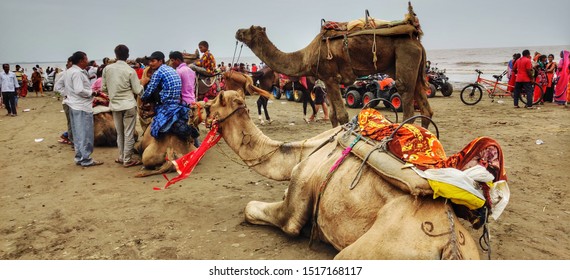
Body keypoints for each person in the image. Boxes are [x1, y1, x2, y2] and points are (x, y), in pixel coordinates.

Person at [102, 44, 143, 167]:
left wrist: (113, 93)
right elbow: (137, 90)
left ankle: (121, 157)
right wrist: (143, 84)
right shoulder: (130, 70)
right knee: (128, 133)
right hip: (128, 104)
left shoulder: (107, 69)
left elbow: (103, 88)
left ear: (115, 55)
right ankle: (127, 159)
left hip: (115, 105)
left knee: (120, 133)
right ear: (128, 55)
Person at [141, 51, 194, 140]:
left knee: (149, 86)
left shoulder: (159, 72)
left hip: (166, 102)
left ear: (160, 61)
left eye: (153, 61)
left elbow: (150, 89)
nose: (150, 64)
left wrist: (142, 97)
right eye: (150, 61)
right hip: (178, 100)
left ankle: (152, 109)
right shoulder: (172, 69)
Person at [64, 51, 103, 167]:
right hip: (82, 106)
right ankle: (86, 159)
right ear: (81, 61)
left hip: (74, 105)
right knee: (85, 134)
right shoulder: (77, 73)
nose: (87, 61)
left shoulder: (69, 71)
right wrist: (93, 92)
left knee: (78, 133)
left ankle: (79, 157)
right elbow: (79, 90)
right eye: (86, 59)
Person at [169, 51, 200, 146]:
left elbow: (177, 89)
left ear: (177, 60)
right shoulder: (191, 70)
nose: (171, 62)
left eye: (172, 60)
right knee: (192, 124)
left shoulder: (178, 71)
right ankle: (196, 145)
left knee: (183, 126)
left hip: (183, 102)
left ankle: (194, 146)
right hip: (192, 100)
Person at [54, 57, 74, 145]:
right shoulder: (64, 74)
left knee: (75, 122)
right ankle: (71, 139)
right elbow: (57, 87)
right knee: (71, 122)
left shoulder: (76, 73)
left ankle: (71, 138)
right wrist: (66, 94)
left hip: (75, 102)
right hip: (68, 102)